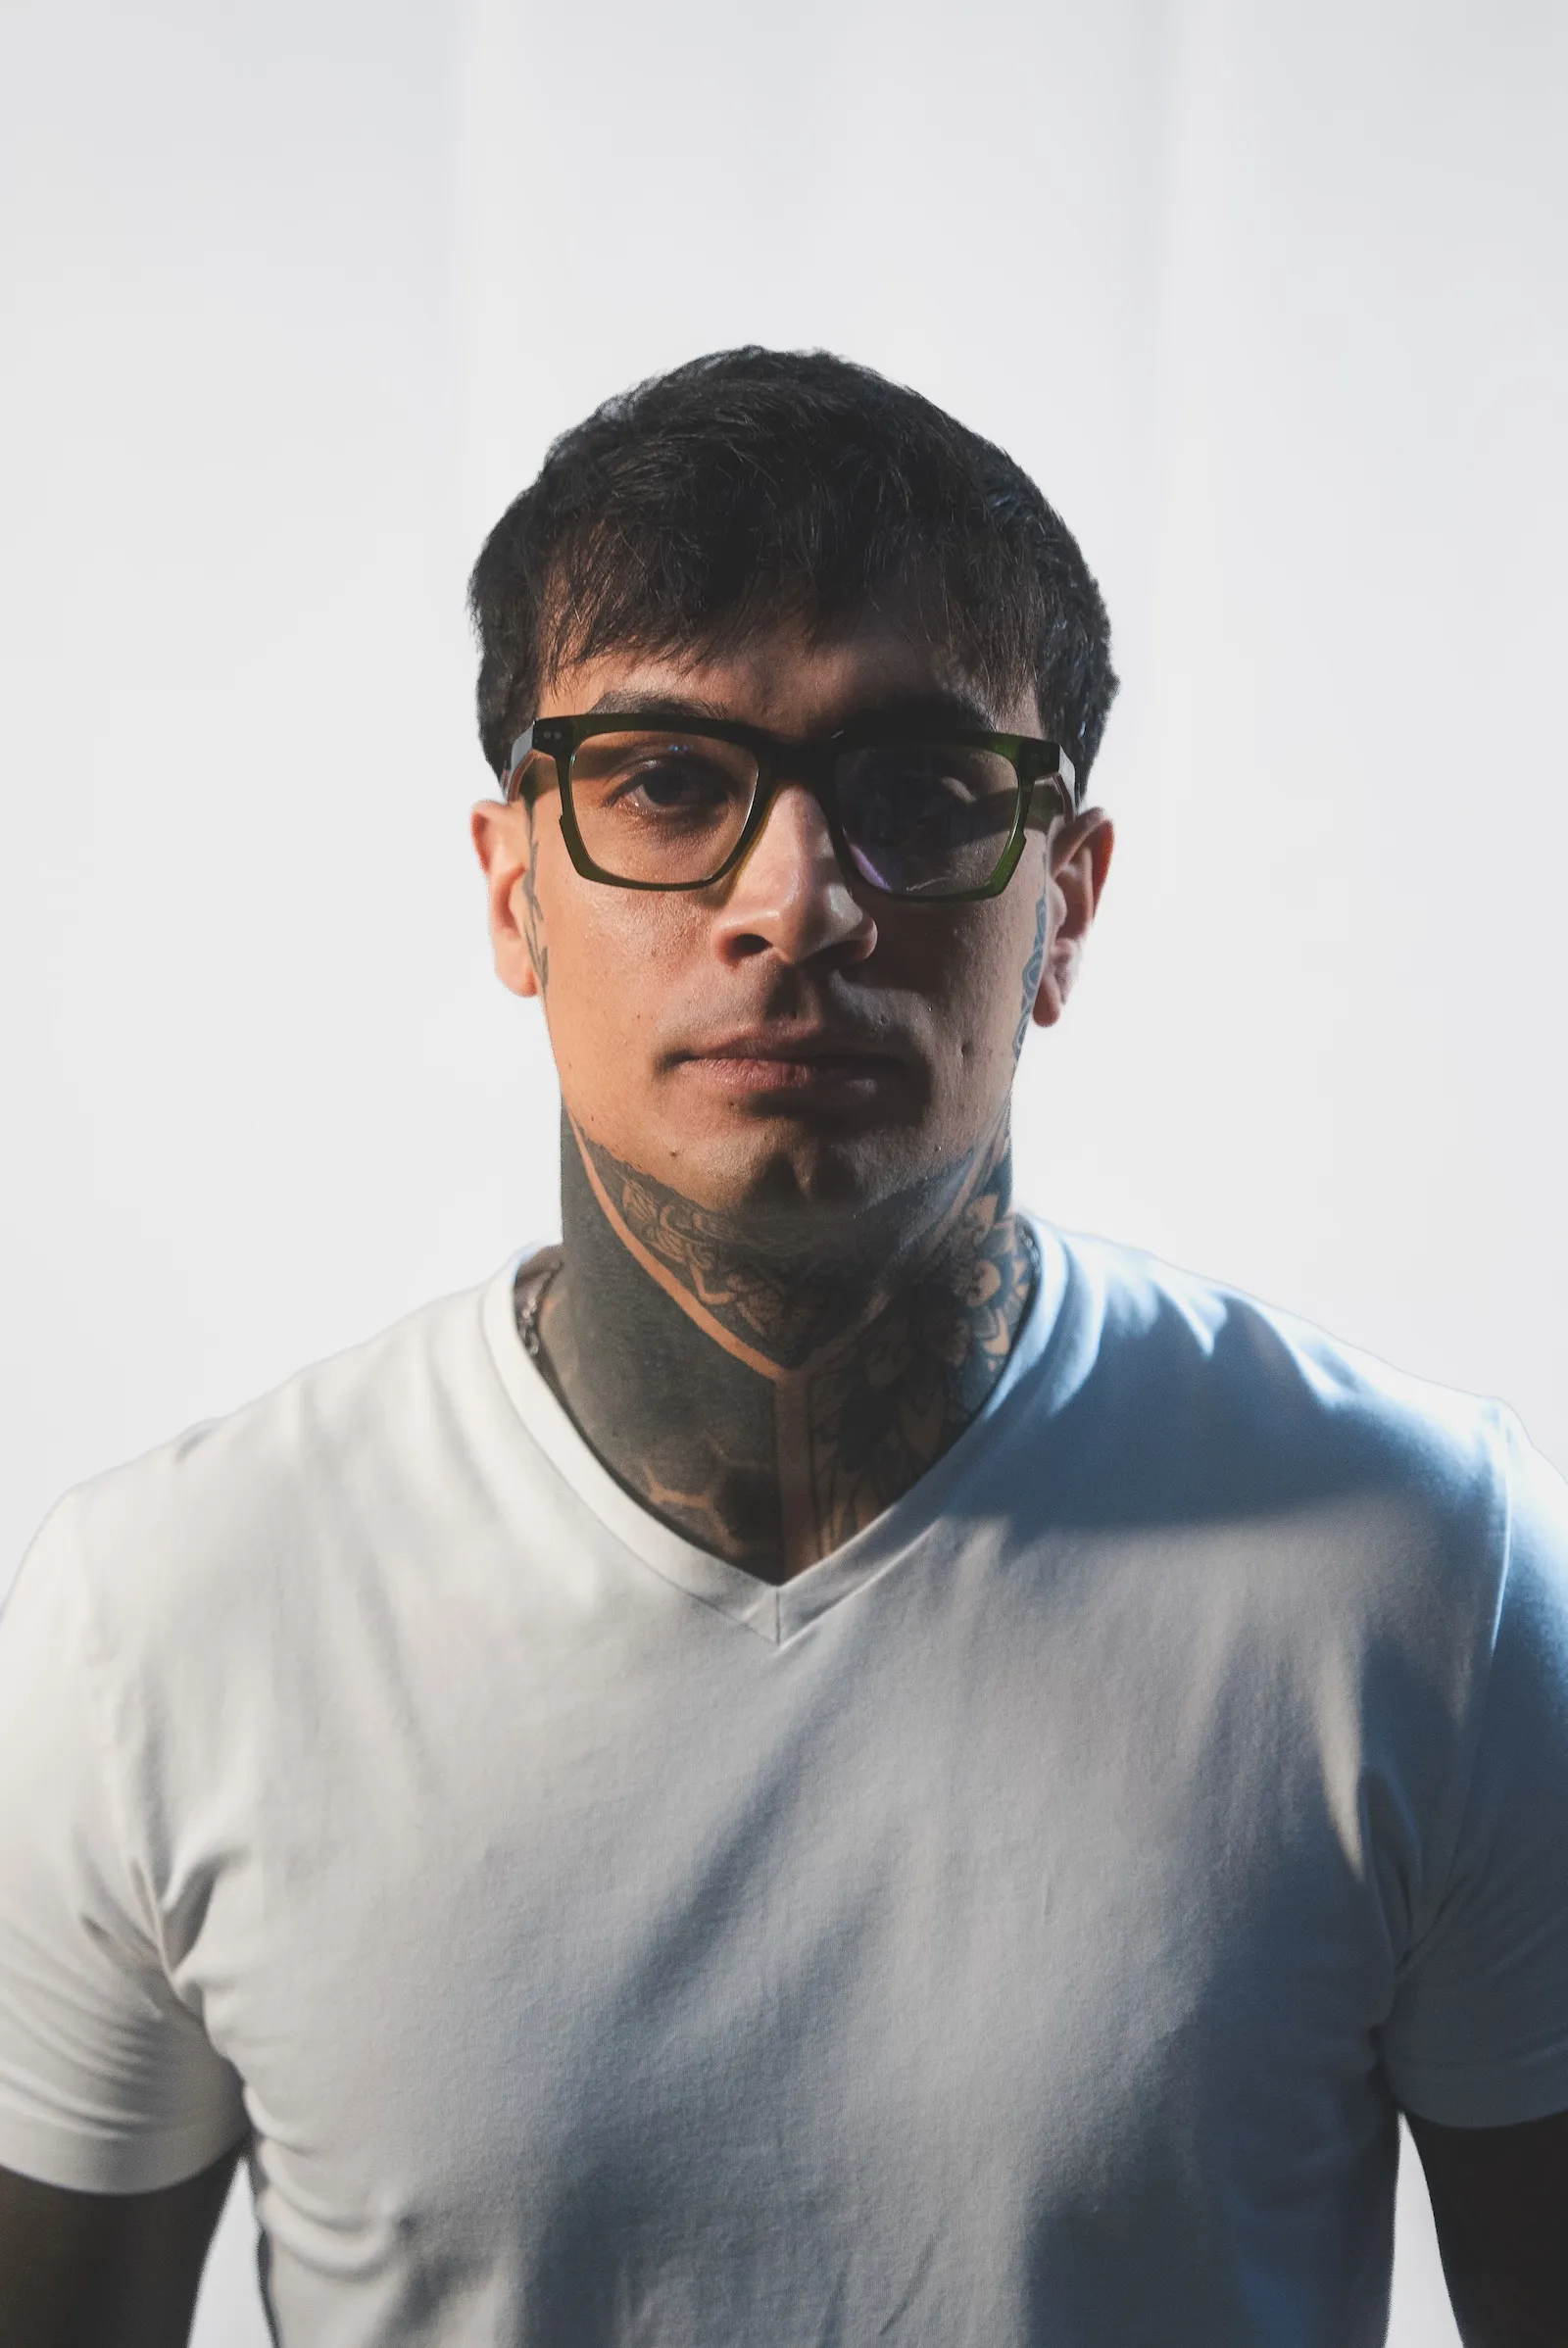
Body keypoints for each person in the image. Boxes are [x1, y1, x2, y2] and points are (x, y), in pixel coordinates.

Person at [1, 348, 1565, 2348]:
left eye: (919, 790)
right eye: (664, 780)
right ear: (513, 891)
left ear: (1066, 905)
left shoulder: (1426, 1573)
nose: (795, 901)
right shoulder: (162, 1617)